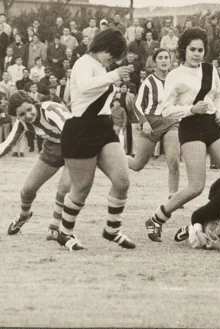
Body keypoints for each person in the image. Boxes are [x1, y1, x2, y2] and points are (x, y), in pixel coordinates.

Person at [146, 27, 220, 242]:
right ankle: (156, 218)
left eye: (201, 49)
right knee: (196, 186)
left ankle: (205, 224)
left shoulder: (210, 69)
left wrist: (218, 111)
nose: (197, 54)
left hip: (211, 126)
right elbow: (165, 110)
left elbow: (219, 94)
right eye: (193, 49)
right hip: (190, 127)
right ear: (184, 50)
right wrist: (191, 109)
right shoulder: (175, 75)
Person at [57, 28, 135, 251]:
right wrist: (114, 76)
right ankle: (65, 232)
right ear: (103, 45)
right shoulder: (84, 62)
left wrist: (116, 79)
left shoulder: (101, 67)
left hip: (103, 126)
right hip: (81, 128)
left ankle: (112, 229)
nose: (113, 58)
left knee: (122, 181)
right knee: (82, 188)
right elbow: (83, 87)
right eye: (112, 52)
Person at [1, 91, 72, 240]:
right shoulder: (22, 123)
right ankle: (23, 217)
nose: (27, 116)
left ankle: (54, 226)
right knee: (27, 189)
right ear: (16, 116)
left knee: (64, 188)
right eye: (21, 114)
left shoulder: (50, 110)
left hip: (74, 146)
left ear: (34, 103)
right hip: (52, 148)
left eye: (29, 109)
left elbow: (71, 132)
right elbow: (7, 144)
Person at [128, 48, 181, 199]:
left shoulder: (176, 80)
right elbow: (137, 105)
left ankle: (173, 196)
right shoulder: (149, 81)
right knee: (137, 164)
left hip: (171, 122)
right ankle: (113, 157)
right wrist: (144, 122)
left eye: (167, 58)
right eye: (161, 58)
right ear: (155, 62)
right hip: (151, 122)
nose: (164, 61)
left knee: (174, 160)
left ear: (170, 61)